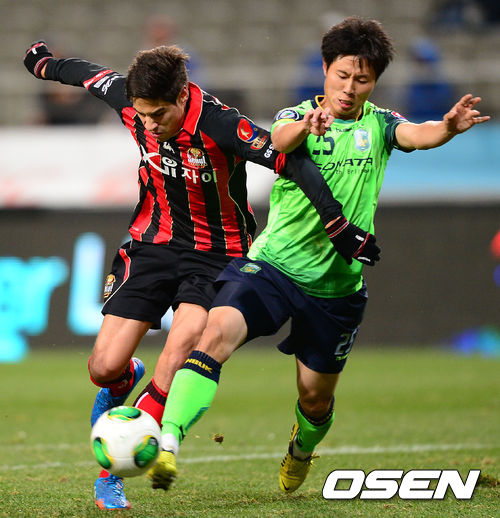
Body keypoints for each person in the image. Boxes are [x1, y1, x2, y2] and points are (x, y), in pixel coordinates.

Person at [23, 41, 379, 510]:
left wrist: (336, 223)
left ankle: (113, 471)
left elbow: (290, 161)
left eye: (159, 115)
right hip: (151, 245)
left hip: (216, 255)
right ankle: (125, 380)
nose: (149, 124)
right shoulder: (131, 99)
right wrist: (45, 64)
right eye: (143, 115)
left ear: (182, 95)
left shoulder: (221, 124)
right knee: (103, 368)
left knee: (177, 355)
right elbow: (87, 74)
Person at [149, 15, 490, 494]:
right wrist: (306, 127)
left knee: (314, 399)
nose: (349, 88)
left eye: (362, 79)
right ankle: (168, 442)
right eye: (342, 75)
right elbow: (279, 141)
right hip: (272, 265)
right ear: (326, 69)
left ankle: (302, 448)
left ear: (375, 81)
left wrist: (448, 127)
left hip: (335, 287)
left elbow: (419, 134)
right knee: (215, 332)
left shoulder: (381, 125)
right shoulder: (296, 115)